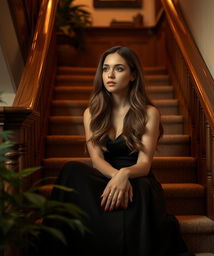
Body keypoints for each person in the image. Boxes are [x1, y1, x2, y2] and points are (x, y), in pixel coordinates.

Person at [40, 46, 194, 256]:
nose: (110, 75)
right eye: (105, 69)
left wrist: (125, 174)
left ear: (132, 75)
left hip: (137, 177)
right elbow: (96, 160)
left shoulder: (149, 112)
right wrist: (116, 176)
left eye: (118, 69)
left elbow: (145, 163)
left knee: (140, 188)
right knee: (71, 170)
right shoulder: (91, 113)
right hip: (105, 174)